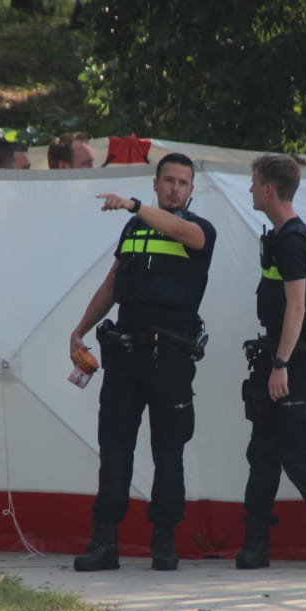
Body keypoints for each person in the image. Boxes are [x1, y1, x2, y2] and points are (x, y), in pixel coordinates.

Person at [69, 153, 217, 572]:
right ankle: (105, 542)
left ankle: (164, 544)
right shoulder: (134, 229)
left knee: (168, 452)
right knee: (114, 448)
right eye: (168, 180)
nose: (174, 188)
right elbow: (112, 284)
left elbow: (178, 230)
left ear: (191, 190)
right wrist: (79, 330)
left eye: (182, 182)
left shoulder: (199, 230)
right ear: (156, 183)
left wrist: (134, 205)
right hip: (125, 357)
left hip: (170, 359)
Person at [236, 154, 306, 570]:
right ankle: (256, 541)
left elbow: (297, 308)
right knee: (263, 452)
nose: (250, 189)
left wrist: (281, 365)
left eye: (254, 183)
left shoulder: (293, 240)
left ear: (268, 190)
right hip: (277, 356)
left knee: (296, 452)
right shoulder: (283, 236)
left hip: (293, 361)